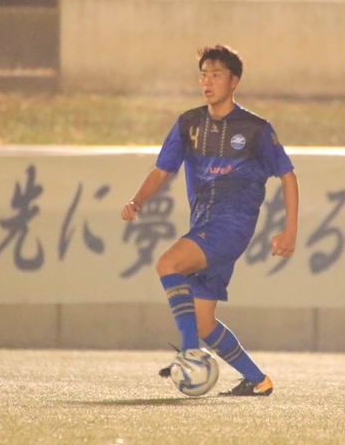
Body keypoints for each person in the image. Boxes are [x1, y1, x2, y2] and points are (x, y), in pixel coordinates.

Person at [121, 44, 299, 396]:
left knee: (169, 263)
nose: (207, 81)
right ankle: (258, 380)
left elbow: (288, 176)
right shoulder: (188, 123)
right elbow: (162, 170)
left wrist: (290, 230)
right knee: (204, 322)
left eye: (216, 75)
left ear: (234, 81)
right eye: (203, 74)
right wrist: (138, 200)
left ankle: (189, 353)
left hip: (231, 227)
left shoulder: (256, 129)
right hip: (204, 226)